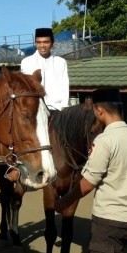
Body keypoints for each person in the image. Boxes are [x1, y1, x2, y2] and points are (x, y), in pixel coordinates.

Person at [55, 89, 127, 253]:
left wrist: (64, 202)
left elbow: (87, 184)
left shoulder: (104, 141)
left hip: (109, 221)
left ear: (100, 111)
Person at [20, 28, 69, 114]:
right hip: (36, 110)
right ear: (35, 43)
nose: (42, 45)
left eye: (46, 42)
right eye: (39, 42)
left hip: (58, 109)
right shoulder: (26, 62)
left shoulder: (61, 62)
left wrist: (64, 107)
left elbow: (65, 85)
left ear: (52, 43)